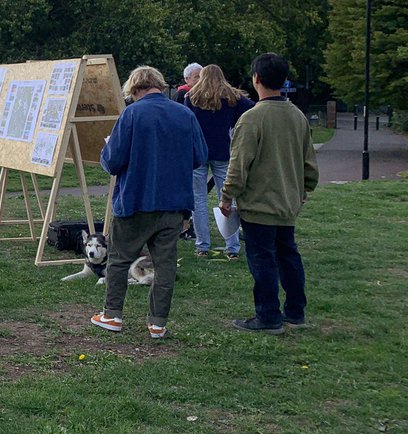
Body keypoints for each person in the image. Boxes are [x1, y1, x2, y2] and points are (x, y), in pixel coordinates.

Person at [91, 66, 207, 340]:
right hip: (174, 203)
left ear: (134, 89)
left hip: (136, 200)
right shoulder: (185, 114)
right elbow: (200, 156)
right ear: (160, 85)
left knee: (120, 259)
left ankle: (112, 315)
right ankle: (158, 323)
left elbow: (113, 161)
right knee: (165, 263)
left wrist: (106, 152)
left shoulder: (132, 114)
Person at [220, 53, 319, 334]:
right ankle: (295, 311)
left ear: (256, 79)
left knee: (262, 259)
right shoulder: (297, 116)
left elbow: (239, 164)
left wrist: (227, 196)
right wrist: (305, 188)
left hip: (259, 204)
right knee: (288, 255)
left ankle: (268, 316)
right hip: (288, 202)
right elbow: (309, 160)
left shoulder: (252, 118)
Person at [184, 65, 254, 259]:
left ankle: (202, 246)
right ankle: (232, 247)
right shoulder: (232, 97)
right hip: (223, 151)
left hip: (198, 152)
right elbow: (252, 109)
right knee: (227, 199)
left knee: (198, 200)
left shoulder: (191, 97)